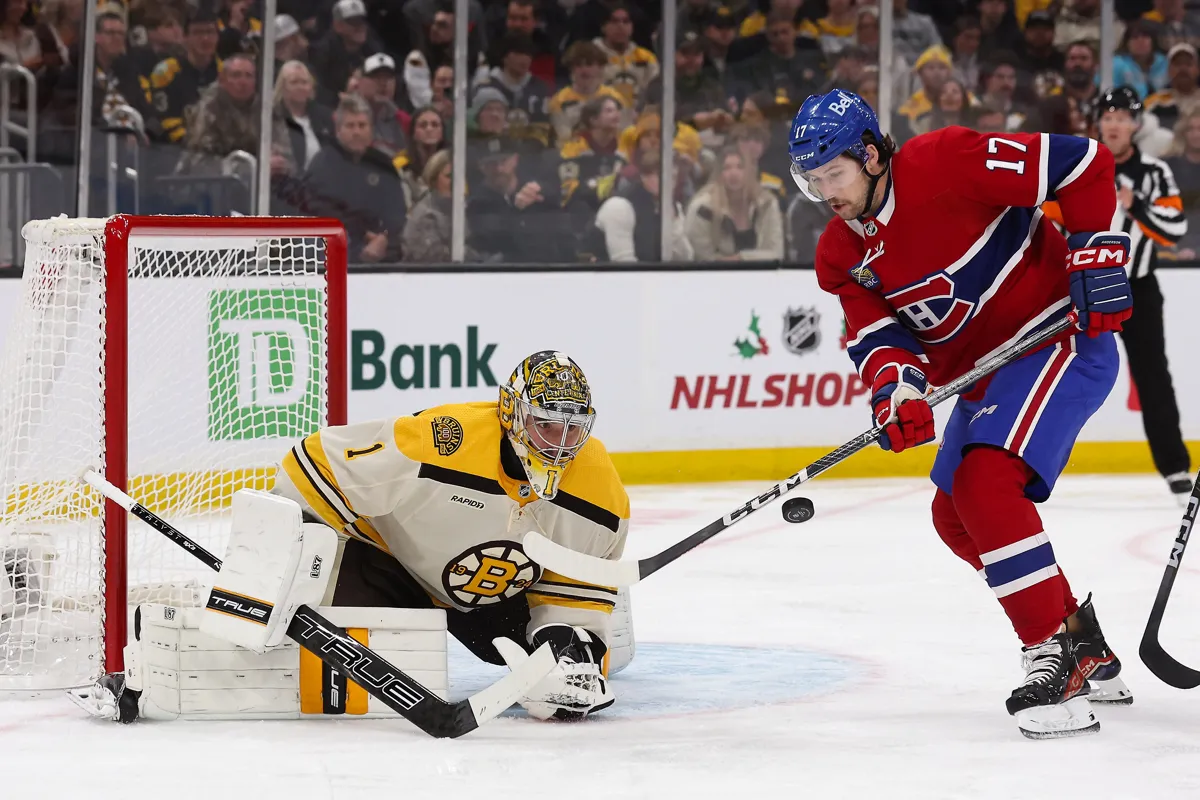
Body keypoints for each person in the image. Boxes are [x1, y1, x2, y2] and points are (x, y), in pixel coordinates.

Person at [790, 89, 1135, 739]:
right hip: (989, 373)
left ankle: (1050, 659)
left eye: (832, 174)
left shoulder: (947, 161)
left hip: (1057, 334)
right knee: (954, 517)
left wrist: (1096, 253)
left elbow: (1083, 163)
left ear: (869, 156)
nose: (824, 192)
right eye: (812, 180)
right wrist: (897, 390)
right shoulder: (840, 254)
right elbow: (879, 339)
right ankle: (1080, 640)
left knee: (983, 484)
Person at [271, 350, 631, 720]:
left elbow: (573, 581)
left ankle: (608, 630)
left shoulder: (598, 488)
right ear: (511, 411)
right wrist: (286, 559)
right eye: (546, 424)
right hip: (394, 566)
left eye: (573, 428)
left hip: (496, 600)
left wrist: (566, 653)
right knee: (343, 686)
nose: (559, 443)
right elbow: (314, 464)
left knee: (566, 669)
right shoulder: (443, 440)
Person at [1084, 88, 1190, 502]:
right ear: (1098, 123)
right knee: (1061, 373)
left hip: (1138, 289)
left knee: (1153, 378)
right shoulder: (1080, 165)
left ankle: (1175, 470)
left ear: (1135, 125)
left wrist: (1137, 205)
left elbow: (1175, 228)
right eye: (1107, 116)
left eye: (1122, 117)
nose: (1114, 124)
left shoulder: (1154, 172)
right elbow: (1052, 223)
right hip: (1085, 290)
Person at [303, 95, 407, 263]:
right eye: (350, 126)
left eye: (362, 125)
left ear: (371, 130)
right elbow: (321, 209)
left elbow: (397, 211)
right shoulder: (322, 164)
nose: (357, 132)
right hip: (340, 244)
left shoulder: (383, 164)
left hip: (383, 245)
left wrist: (384, 238)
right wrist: (365, 236)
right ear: (338, 130)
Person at [592, 147, 693, 262]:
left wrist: (673, 222)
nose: (669, 183)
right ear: (644, 176)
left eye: (673, 177)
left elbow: (685, 258)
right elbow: (623, 263)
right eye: (662, 176)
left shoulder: (673, 208)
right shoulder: (619, 207)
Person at [685, 146, 784, 262]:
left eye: (740, 167)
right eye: (726, 168)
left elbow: (776, 253)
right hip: (715, 276)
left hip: (762, 276)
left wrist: (740, 258)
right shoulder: (703, 208)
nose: (733, 173)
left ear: (750, 171)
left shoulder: (767, 204)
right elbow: (699, 256)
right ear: (719, 174)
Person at [175, 51, 261, 175]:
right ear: (222, 80)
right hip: (210, 185)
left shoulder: (265, 109)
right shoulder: (208, 109)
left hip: (259, 182)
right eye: (236, 75)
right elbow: (200, 163)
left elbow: (283, 151)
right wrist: (249, 168)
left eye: (249, 76)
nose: (243, 82)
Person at [146, 8, 221, 144]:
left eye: (210, 32)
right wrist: (195, 143)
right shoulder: (165, 71)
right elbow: (165, 118)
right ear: (185, 37)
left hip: (218, 149)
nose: (205, 38)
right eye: (198, 32)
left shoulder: (226, 73)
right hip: (174, 150)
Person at [592, 2, 658, 109]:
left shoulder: (646, 57)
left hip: (639, 116)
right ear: (603, 27)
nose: (620, 26)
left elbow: (655, 92)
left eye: (626, 21)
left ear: (632, 27)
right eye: (614, 21)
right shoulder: (591, 55)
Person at [394, 106, 446, 206]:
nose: (429, 129)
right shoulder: (400, 165)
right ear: (413, 133)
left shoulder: (452, 165)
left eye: (435, 125)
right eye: (423, 125)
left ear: (442, 133)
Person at [1145, 43, 1200, 132]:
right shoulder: (1154, 103)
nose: (1183, 68)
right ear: (1169, 70)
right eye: (1177, 64)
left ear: (1197, 70)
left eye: (1188, 64)